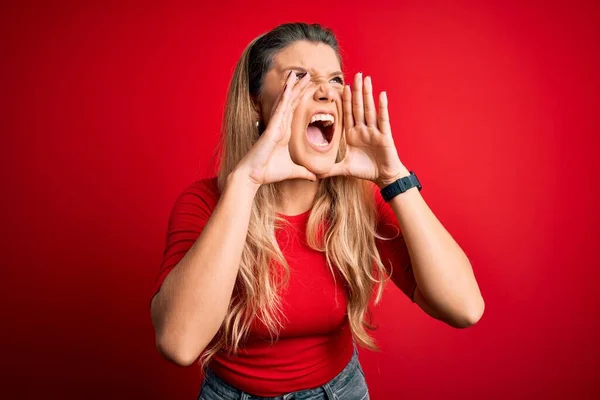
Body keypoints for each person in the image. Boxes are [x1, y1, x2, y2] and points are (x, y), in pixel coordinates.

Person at [150, 22, 484, 400]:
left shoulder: (359, 202)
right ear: (256, 103)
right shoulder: (205, 204)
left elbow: (465, 308)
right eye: (299, 77)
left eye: (336, 79)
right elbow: (178, 343)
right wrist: (246, 182)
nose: (326, 90)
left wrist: (395, 177)